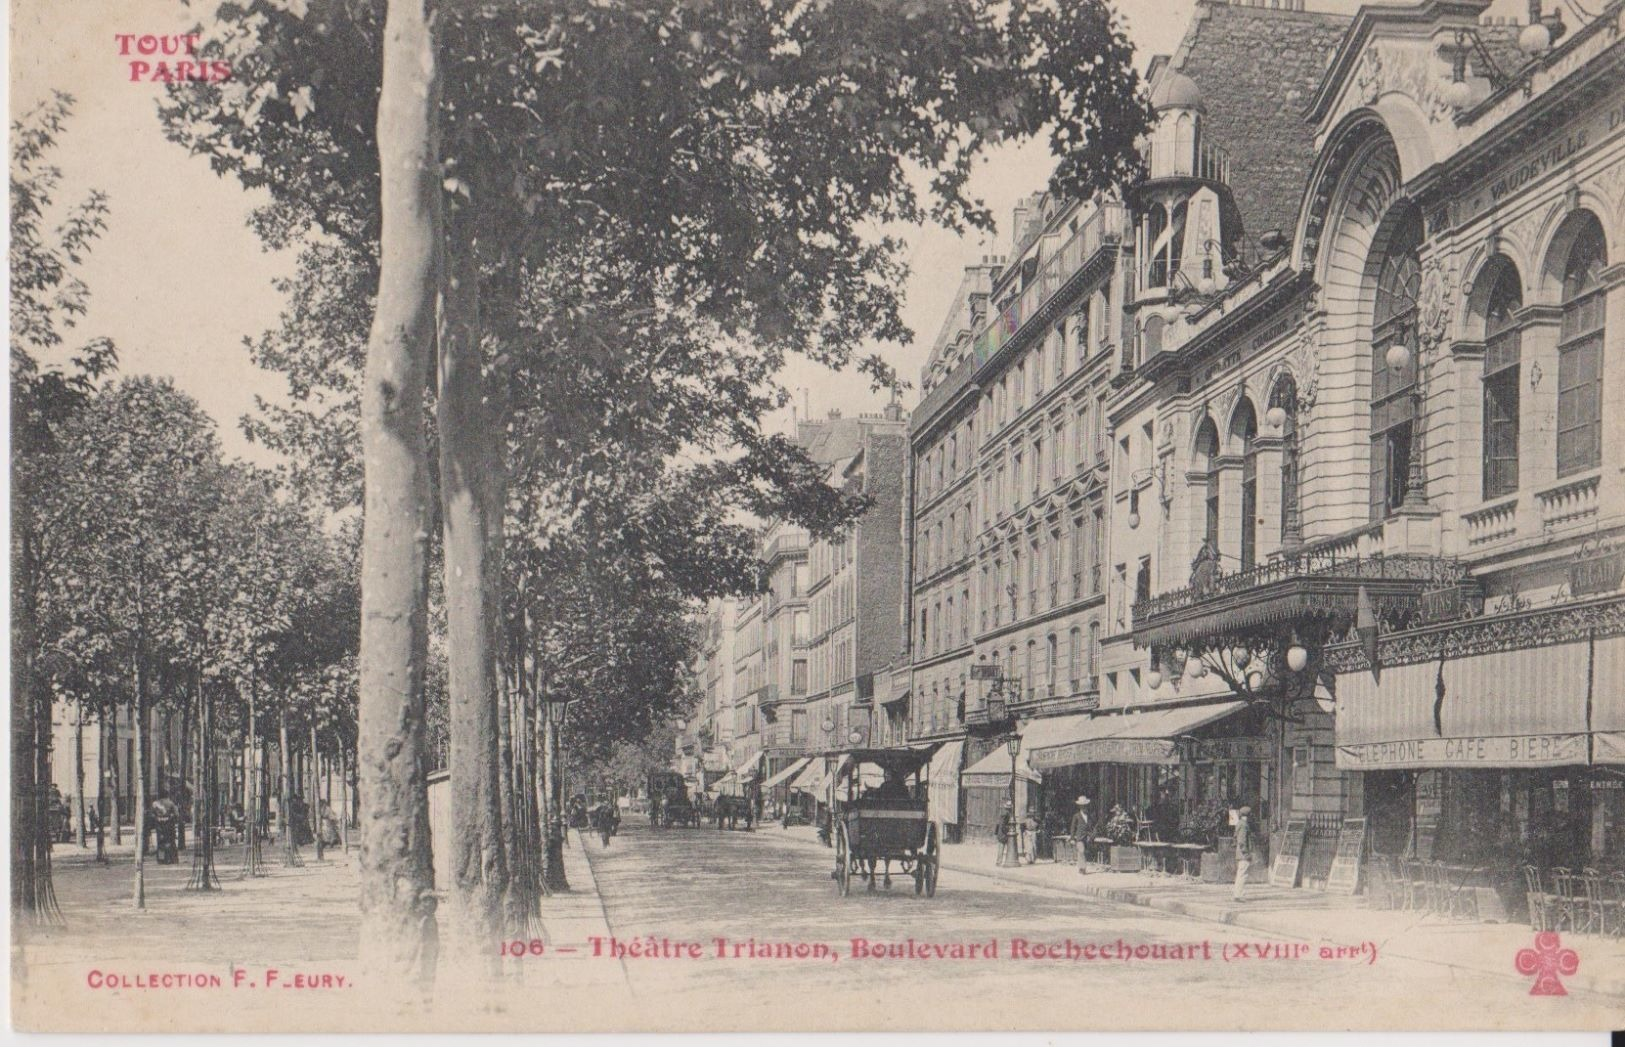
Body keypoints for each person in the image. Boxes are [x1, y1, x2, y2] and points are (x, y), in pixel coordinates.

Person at [1232, 805, 1256, 902]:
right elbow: (1242, 841)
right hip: (1243, 854)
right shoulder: (1244, 825)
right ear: (1248, 815)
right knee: (1242, 874)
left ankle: (1237, 894)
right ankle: (1239, 895)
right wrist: (1247, 854)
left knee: (1241, 874)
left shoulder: (1240, 823)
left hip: (1241, 853)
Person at [151, 793, 181, 864]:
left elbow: (152, 815)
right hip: (169, 826)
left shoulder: (155, 804)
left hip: (159, 827)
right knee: (171, 842)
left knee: (160, 844)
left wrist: (157, 819)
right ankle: (172, 859)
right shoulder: (171, 803)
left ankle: (161, 859)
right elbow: (176, 814)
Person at [1070, 796, 1092, 875]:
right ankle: (1082, 868)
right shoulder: (1076, 816)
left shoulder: (1089, 816)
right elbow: (1073, 827)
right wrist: (1072, 838)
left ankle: (1082, 867)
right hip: (1079, 837)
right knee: (1081, 851)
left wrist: (1091, 835)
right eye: (1082, 806)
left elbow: (1091, 827)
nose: (1084, 807)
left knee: (1083, 852)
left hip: (1087, 837)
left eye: (1085, 805)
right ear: (1080, 806)